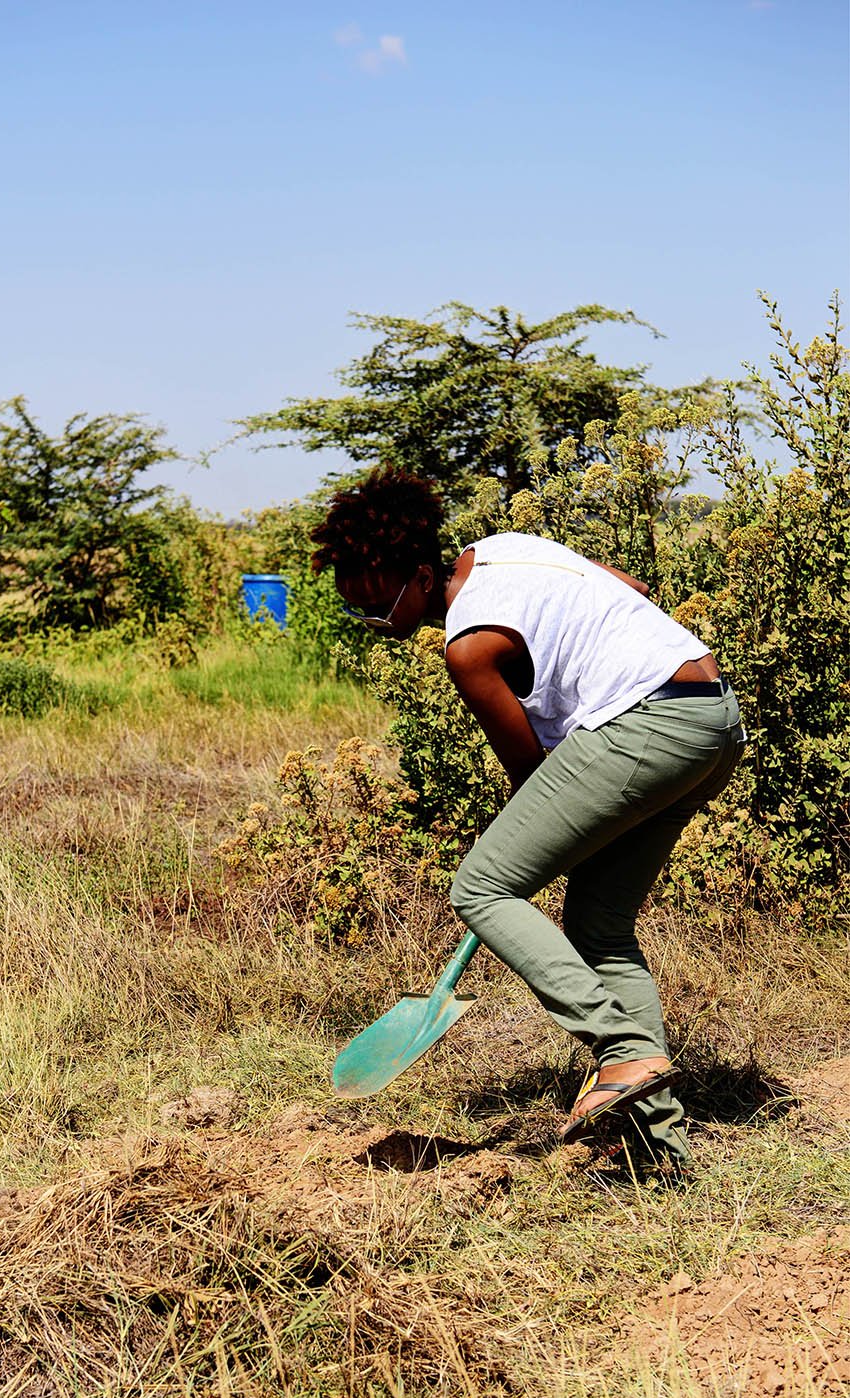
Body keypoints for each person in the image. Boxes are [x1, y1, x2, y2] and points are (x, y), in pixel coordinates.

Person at [311, 468, 745, 1163]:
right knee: (598, 927)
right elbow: (627, 588)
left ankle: (621, 1049)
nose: (372, 621)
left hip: (646, 724)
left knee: (481, 886)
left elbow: (532, 776)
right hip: (712, 717)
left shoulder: (468, 646)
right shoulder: (506, 547)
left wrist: (536, 826)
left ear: (420, 575)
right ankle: (658, 1144)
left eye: (377, 603)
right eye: (355, 609)